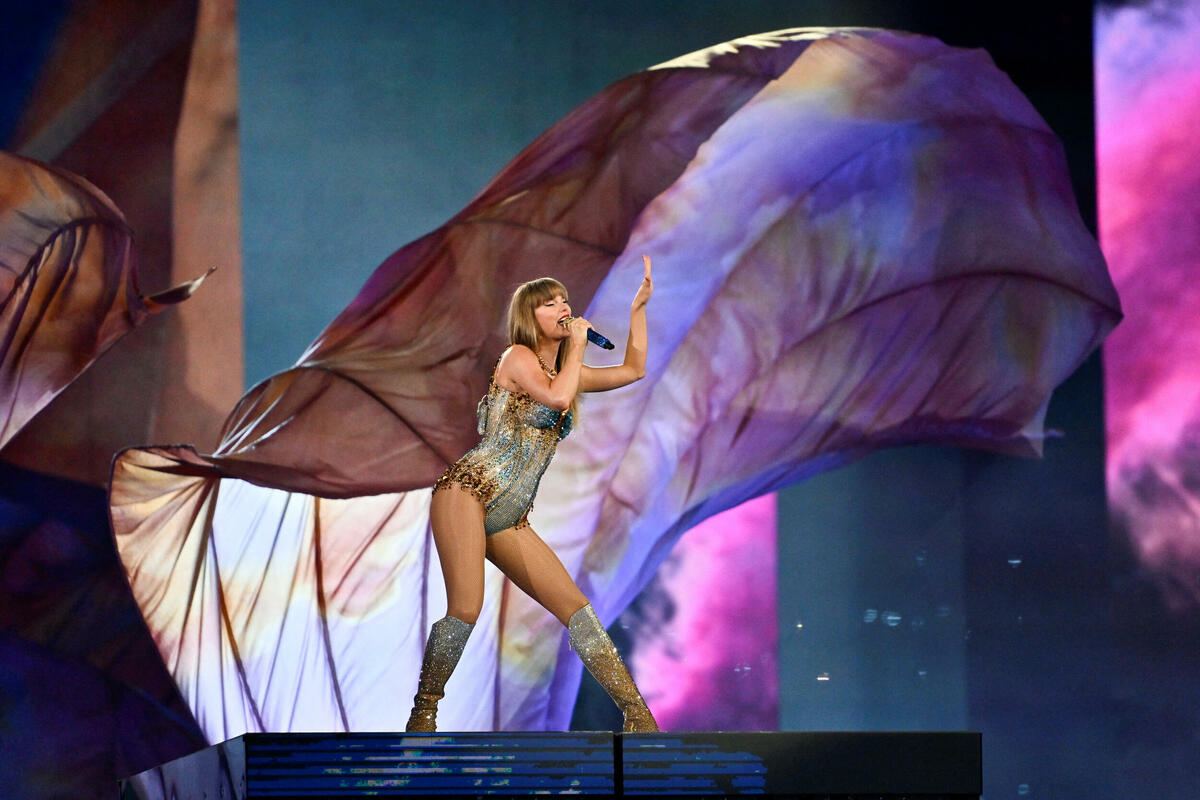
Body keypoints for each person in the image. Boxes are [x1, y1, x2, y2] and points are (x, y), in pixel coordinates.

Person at [406, 254, 658, 733]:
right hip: (468, 490)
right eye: (550, 303)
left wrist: (638, 310)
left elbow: (634, 370)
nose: (563, 307)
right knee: (466, 607)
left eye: (564, 300)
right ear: (530, 316)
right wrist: (579, 344)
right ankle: (425, 711)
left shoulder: (564, 371)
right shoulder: (517, 358)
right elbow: (559, 398)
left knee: (577, 611)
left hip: (512, 514)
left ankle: (638, 715)